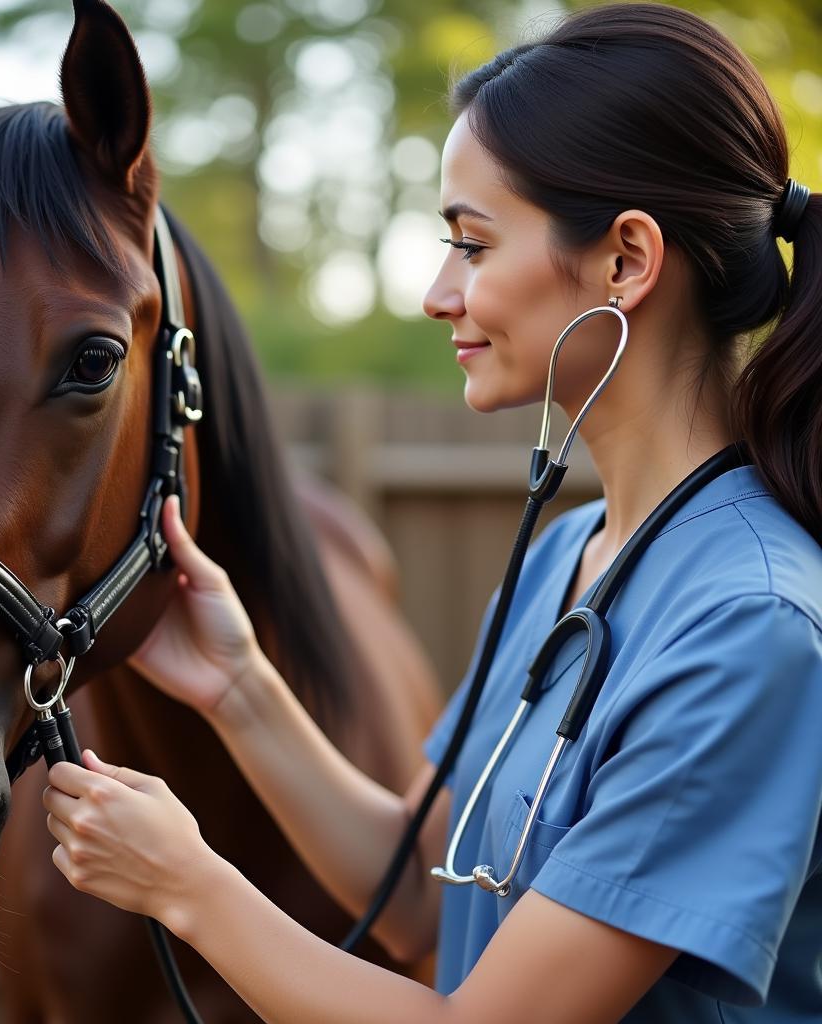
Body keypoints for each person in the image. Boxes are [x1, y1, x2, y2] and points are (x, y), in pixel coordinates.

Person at [42, 3, 822, 1020]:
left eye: (470, 243)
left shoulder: (749, 629)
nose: (435, 292)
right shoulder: (567, 557)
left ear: (625, 262)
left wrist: (189, 887)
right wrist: (237, 685)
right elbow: (420, 903)